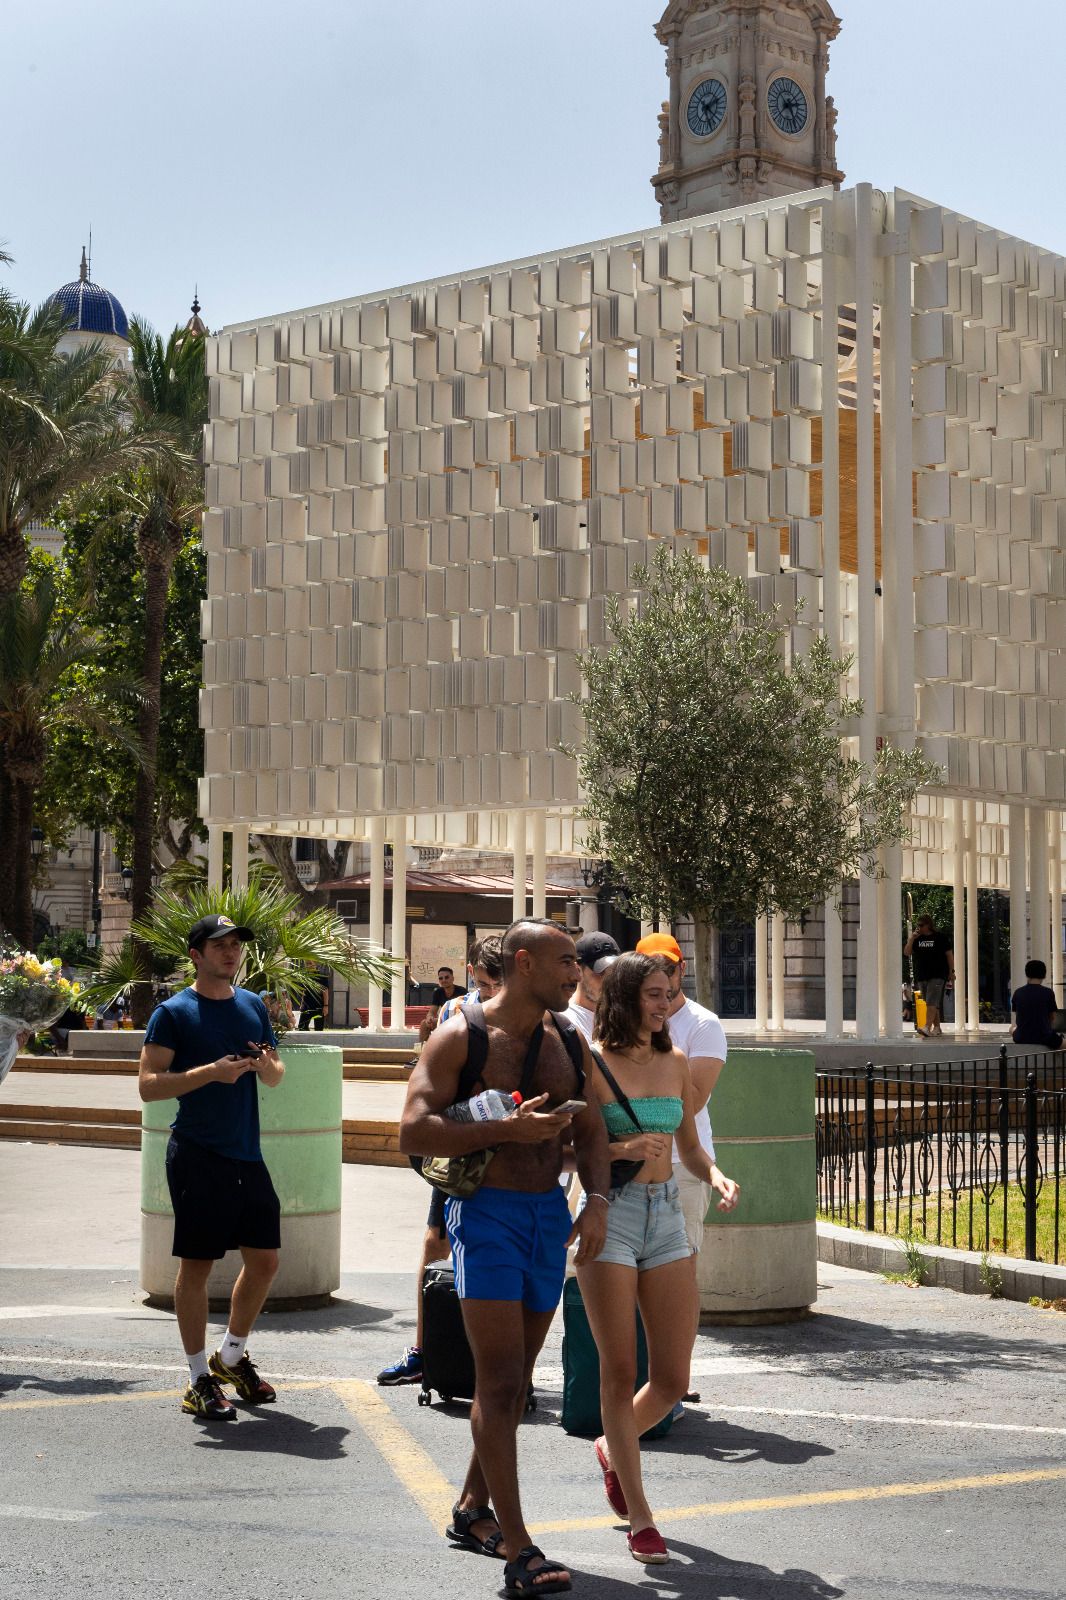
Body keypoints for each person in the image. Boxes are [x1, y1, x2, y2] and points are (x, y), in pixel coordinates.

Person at [400, 919, 610, 1597]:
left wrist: (598, 1201)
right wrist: (503, 1129)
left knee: (515, 1385)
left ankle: (470, 1510)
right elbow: (411, 1129)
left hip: (547, 1217)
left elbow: (595, 1126)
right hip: (484, 1214)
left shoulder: (568, 1038)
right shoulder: (461, 1034)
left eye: (576, 963)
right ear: (524, 963)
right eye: (565, 962)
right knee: (497, 1382)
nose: (575, 973)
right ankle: (518, 1545)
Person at [577, 953, 738, 1565]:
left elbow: (691, 1148)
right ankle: (642, 1516)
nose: (664, 1003)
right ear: (622, 997)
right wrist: (622, 1144)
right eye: (651, 993)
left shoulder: (675, 1063)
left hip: (668, 1213)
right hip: (609, 1214)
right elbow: (570, 1152)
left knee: (672, 1379)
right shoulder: (590, 1064)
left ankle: (610, 1448)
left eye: (669, 992)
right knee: (619, 1373)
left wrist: (717, 1176)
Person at [138, 914, 285, 1422]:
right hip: (198, 1155)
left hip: (247, 1154)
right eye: (219, 945)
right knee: (196, 1268)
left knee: (265, 1261)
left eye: (235, 945)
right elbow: (149, 1085)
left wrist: (267, 1067)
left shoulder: (251, 1006)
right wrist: (211, 1074)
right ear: (196, 954)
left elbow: (276, 1073)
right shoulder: (174, 1012)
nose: (230, 952)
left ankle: (231, 1358)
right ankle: (198, 1377)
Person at [377, 934, 504, 1386]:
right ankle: (425, 1349)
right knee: (436, 1242)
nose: (494, 992)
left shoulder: (532, 1012)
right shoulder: (457, 1013)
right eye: (488, 983)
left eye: (500, 982)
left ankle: (503, 1365)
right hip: (464, 1146)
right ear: (473, 976)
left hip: (510, 1150)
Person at [904, 915, 955, 1038]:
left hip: (938, 974)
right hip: (922, 975)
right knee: (931, 1002)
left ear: (928, 925)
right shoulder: (917, 939)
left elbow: (949, 955)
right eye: (918, 925)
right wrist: (911, 939)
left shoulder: (940, 938)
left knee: (931, 1001)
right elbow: (907, 952)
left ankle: (927, 1027)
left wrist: (951, 971)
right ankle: (937, 1027)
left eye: (921, 925)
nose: (919, 928)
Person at [565, 931, 621, 1043]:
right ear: (578, 970)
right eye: (600, 973)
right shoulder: (565, 1020)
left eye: (613, 972)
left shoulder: (621, 1017)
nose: (608, 980)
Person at [1011, 959, 1064, 1049]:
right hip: (1044, 1036)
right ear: (1044, 975)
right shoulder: (1048, 993)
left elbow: (1019, 1015)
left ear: (1027, 973)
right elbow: (1053, 1017)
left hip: (1021, 1037)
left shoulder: (1018, 992)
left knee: (1011, 1029)